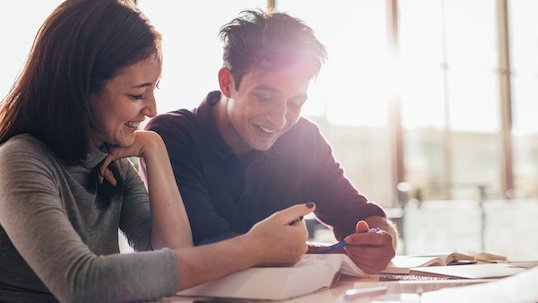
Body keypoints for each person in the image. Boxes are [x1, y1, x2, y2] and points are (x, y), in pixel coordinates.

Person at [0, 1, 315, 302]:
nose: (151, 108)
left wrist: (154, 148)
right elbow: (82, 283)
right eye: (137, 94)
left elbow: (171, 254)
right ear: (81, 88)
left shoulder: (113, 160)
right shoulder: (19, 160)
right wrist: (252, 248)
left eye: (155, 90)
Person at [143, 9, 398, 274]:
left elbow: (359, 213)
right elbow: (199, 246)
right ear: (227, 83)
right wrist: (306, 250)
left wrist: (380, 238)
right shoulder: (172, 137)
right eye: (265, 97)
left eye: (296, 103)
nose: (280, 119)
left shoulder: (303, 138)